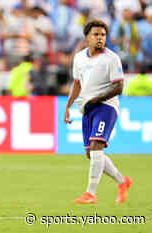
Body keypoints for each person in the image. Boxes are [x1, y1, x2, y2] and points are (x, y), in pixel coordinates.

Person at [63, 19, 132, 204]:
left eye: (103, 35)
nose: (100, 38)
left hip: (106, 106)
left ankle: (90, 194)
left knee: (96, 147)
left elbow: (119, 87)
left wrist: (96, 99)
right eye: (96, 34)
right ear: (87, 37)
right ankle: (122, 181)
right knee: (91, 153)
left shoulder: (111, 58)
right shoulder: (79, 58)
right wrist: (67, 107)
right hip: (88, 108)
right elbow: (76, 84)